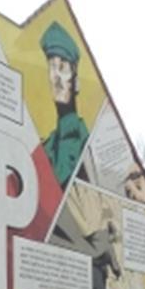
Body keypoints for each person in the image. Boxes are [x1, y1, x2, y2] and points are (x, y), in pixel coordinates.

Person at [40, 21, 89, 188]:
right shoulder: (45, 148)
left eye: (62, 67)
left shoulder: (88, 144)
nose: (56, 77)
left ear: (76, 82)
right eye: (52, 67)